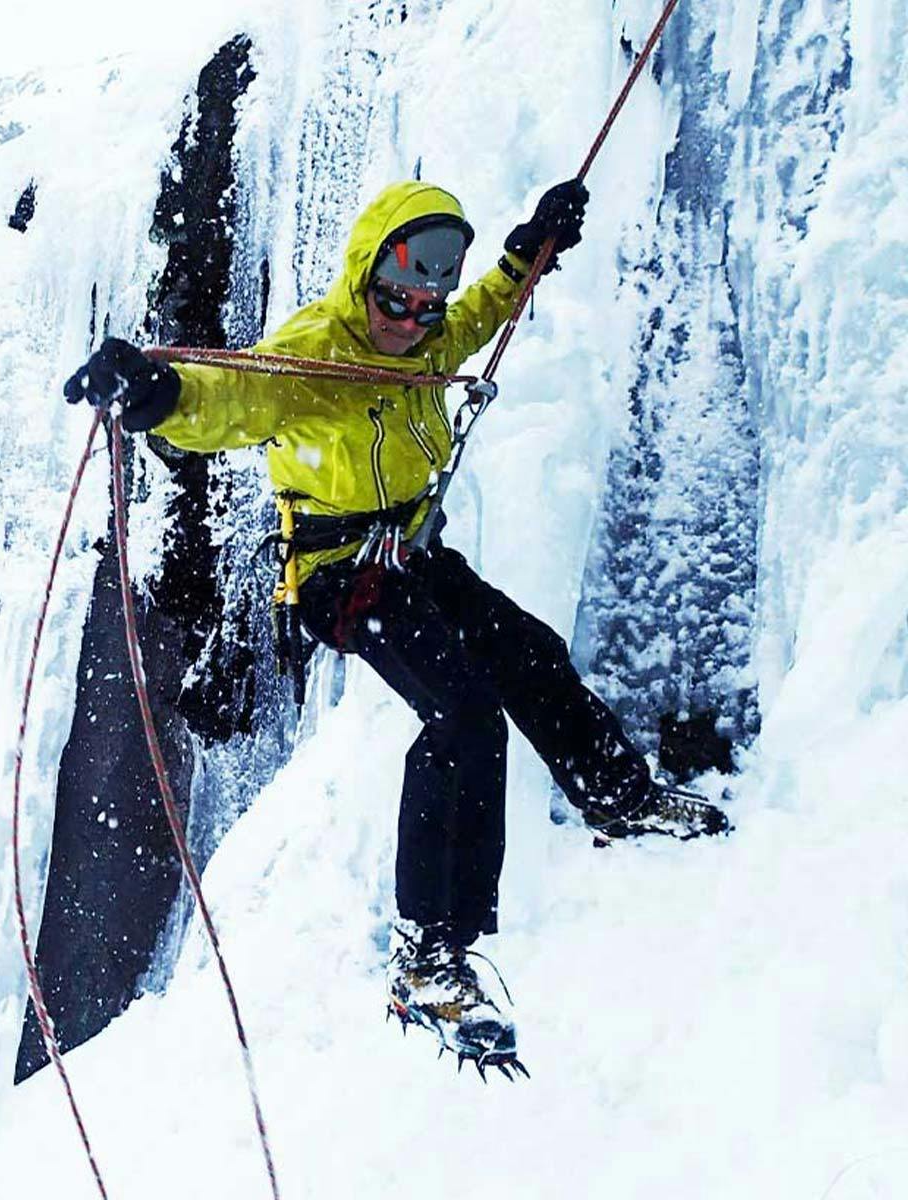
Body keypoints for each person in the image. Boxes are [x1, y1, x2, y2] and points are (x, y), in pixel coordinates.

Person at [63, 178, 731, 1071]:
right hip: (342, 578)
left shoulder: (421, 341)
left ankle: (618, 796)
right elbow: (235, 398)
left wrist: (526, 258)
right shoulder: (316, 352)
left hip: (411, 557)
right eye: (395, 301)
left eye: (424, 307)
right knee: (461, 714)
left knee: (529, 653)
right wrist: (158, 393)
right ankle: (430, 954)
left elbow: (471, 325)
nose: (410, 322)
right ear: (363, 280)